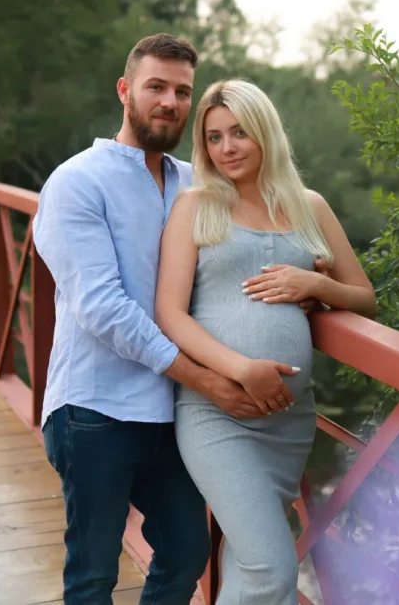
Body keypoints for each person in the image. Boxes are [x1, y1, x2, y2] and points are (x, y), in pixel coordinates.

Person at [33, 35, 270, 605]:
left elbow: (239, 262)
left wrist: (302, 284)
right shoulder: (77, 181)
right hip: (95, 409)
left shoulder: (198, 184)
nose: (170, 102)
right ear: (125, 90)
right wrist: (208, 379)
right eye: (155, 87)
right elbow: (102, 308)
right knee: (93, 574)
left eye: (182, 92)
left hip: (171, 412)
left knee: (186, 551)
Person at [156, 79, 378, 604]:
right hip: (217, 415)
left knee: (248, 566)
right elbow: (169, 314)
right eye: (214, 137)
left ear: (265, 133)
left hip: (289, 422)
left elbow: (365, 299)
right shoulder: (195, 206)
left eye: (239, 133)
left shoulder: (310, 207)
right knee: (271, 568)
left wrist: (315, 285)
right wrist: (241, 369)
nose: (226, 148)